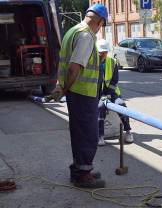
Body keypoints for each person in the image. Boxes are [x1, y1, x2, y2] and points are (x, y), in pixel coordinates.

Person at [53, 4, 108, 188]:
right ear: (99, 22)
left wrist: (61, 87)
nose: (100, 29)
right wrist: (65, 88)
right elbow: (73, 67)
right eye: (102, 26)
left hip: (77, 93)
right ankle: (83, 175)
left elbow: (64, 64)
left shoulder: (72, 31)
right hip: (83, 94)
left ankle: (80, 169)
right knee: (88, 134)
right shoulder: (86, 36)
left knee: (79, 132)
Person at [96, 39, 134, 146]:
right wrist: (101, 96)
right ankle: (100, 136)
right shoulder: (93, 63)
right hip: (97, 95)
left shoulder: (112, 62)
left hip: (112, 93)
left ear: (107, 52)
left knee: (121, 105)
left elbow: (114, 81)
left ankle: (128, 132)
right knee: (100, 107)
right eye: (99, 52)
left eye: (103, 52)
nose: (101, 54)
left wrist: (108, 94)